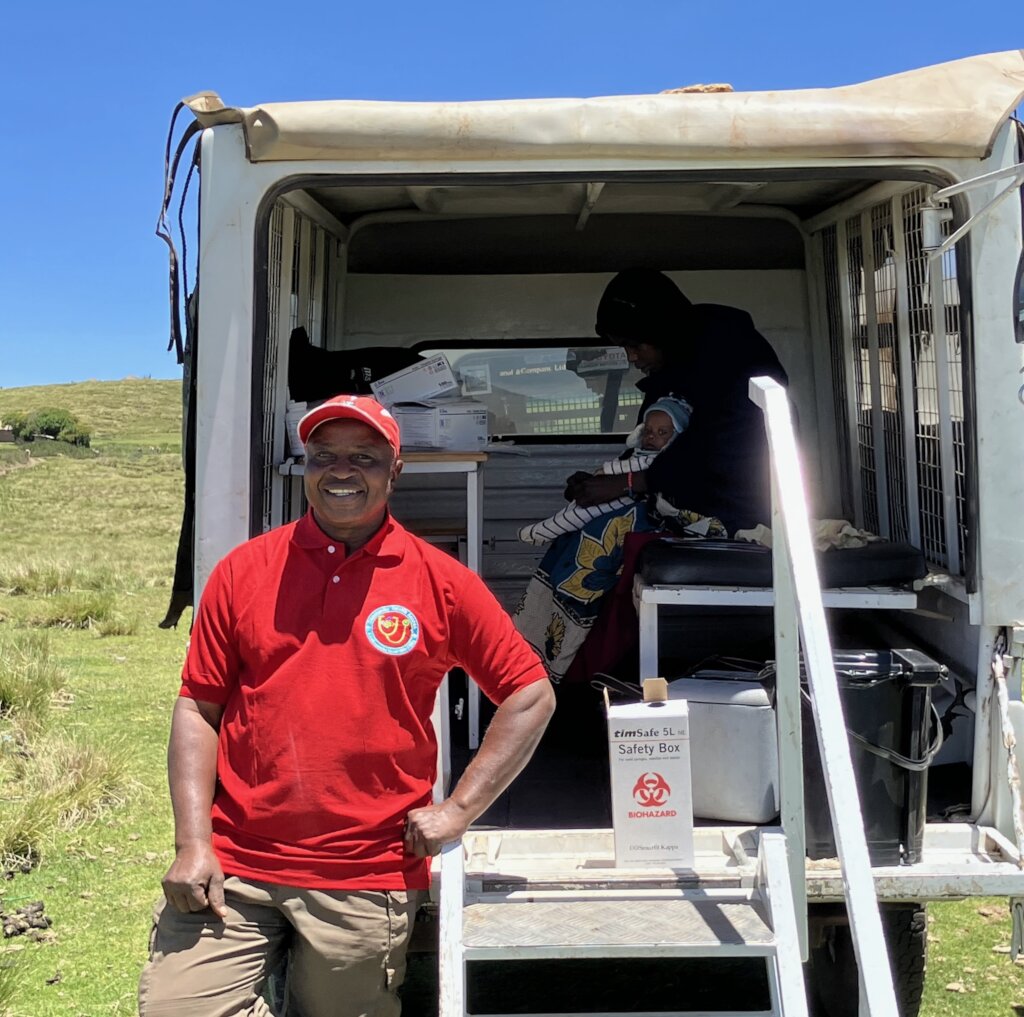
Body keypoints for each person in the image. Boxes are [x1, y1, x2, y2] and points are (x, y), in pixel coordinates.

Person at [139, 394, 555, 1017]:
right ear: (305, 467)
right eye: (323, 456)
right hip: (236, 866)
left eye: (363, 457)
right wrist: (193, 843)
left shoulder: (440, 581)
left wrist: (460, 811)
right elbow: (199, 708)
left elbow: (530, 692)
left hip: (366, 874)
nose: (341, 471)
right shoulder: (244, 570)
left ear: (395, 471)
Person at [513, 269, 786, 682]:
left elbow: (733, 452)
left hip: (737, 512)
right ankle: (535, 664)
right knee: (579, 533)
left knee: (599, 539)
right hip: (677, 498)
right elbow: (654, 447)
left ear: (665, 330)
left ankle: (557, 672)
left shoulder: (730, 355)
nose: (632, 358)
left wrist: (628, 484)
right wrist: (604, 480)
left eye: (635, 345)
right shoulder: (680, 363)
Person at [517, 397, 694, 546]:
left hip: (629, 503)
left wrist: (606, 470)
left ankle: (542, 532)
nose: (651, 436)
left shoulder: (661, 460)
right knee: (576, 507)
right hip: (620, 497)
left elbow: (630, 467)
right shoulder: (637, 452)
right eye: (647, 431)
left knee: (582, 513)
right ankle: (546, 529)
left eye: (662, 432)